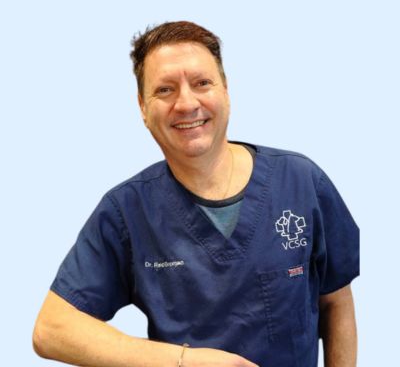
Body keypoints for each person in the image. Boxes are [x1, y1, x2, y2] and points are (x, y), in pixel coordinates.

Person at [33, 21, 360, 367]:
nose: (186, 103)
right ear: (142, 107)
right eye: (165, 90)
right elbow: (51, 330)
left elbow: (336, 302)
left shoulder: (300, 182)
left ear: (226, 91)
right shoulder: (127, 212)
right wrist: (183, 361)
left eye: (202, 83)